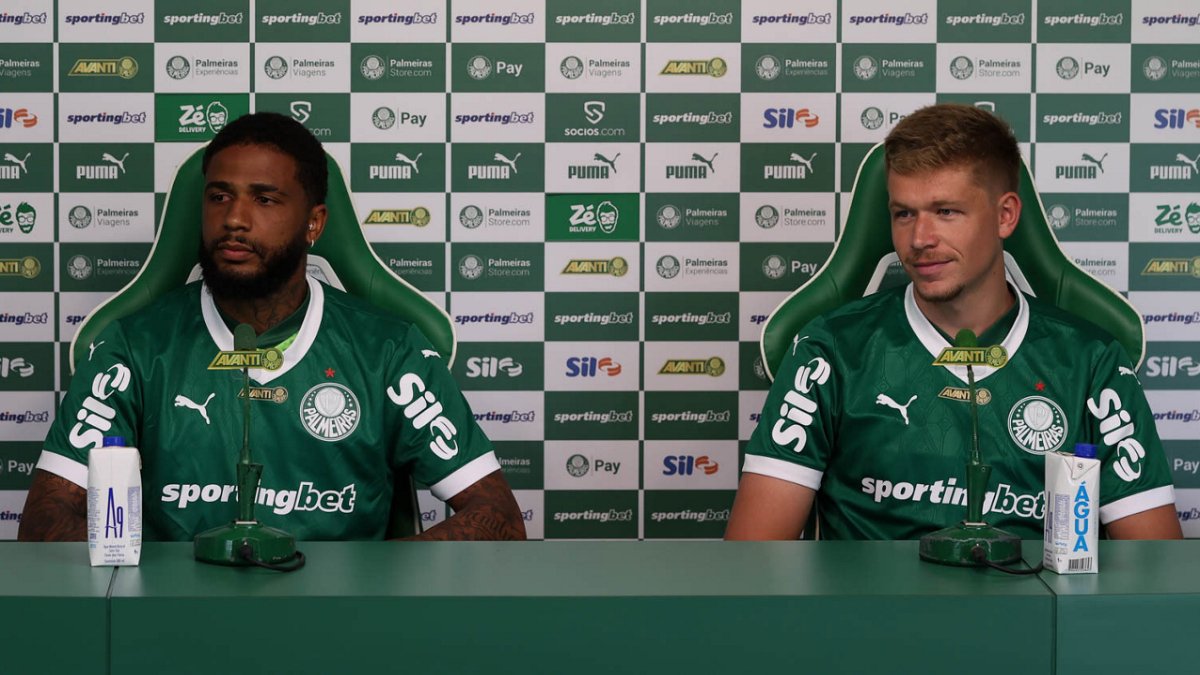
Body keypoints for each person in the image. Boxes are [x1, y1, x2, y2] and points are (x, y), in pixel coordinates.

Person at [20, 112, 525, 542]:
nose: (234, 219)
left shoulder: (388, 350)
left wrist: (371, 583)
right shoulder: (133, 347)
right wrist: (157, 578)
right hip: (177, 616)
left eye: (264, 199)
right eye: (219, 196)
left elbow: (497, 518)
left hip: (343, 617)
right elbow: (44, 519)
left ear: (314, 223)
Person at [726, 103, 1181, 541]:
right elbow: (755, 559)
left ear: (1005, 215)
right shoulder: (831, 350)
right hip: (868, 599)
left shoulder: (1090, 362)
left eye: (946, 212)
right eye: (904, 213)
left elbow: (1154, 567)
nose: (920, 239)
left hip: (1030, 599)